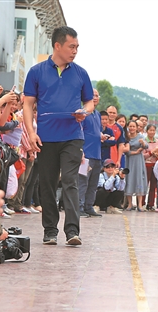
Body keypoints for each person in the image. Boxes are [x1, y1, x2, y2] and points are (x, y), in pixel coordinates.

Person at [23, 26, 94, 246]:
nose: (75, 51)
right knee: (47, 183)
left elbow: (89, 102)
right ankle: (50, 231)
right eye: (71, 46)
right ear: (57, 45)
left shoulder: (81, 73)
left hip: (73, 135)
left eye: (77, 47)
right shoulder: (36, 71)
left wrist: (85, 112)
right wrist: (31, 132)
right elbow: (27, 104)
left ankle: (72, 231)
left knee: (71, 181)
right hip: (45, 137)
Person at [78, 88, 103, 218]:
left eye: (97, 95)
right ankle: (79, 207)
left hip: (97, 154)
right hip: (86, 154)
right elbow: (78, 131)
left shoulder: (97, 114)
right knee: (82, 182)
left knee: (93, 183)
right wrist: (80, 150)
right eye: (92, 95)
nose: (95, 97)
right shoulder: (82, 113)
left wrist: (101, 136)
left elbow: (95, 131)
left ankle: (88, 206)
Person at [124, 120, 148, 211]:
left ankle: (140, 204)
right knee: (129, 179)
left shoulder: (140, 137)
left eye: (134, 126)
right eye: (130, 126)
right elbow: (125, 151)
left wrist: (142, 143)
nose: (132, 128)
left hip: (138, 161)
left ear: (137, 127)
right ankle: (130, 204)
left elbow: (146, 146)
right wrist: (135, 152)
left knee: (139, 179)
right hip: (129, 160)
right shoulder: (126, 137)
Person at [143, 124, 158, 211]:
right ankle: (142, 203)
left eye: (153, 130)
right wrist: (151, 152)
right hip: (146, 165)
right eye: (150, 130)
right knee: (144, 184)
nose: (152, 132)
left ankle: (150, 204)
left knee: (153, 185)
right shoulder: (144, 141)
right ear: (146, 131)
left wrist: (157, 154)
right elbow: (142, 156)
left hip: (155, 165)